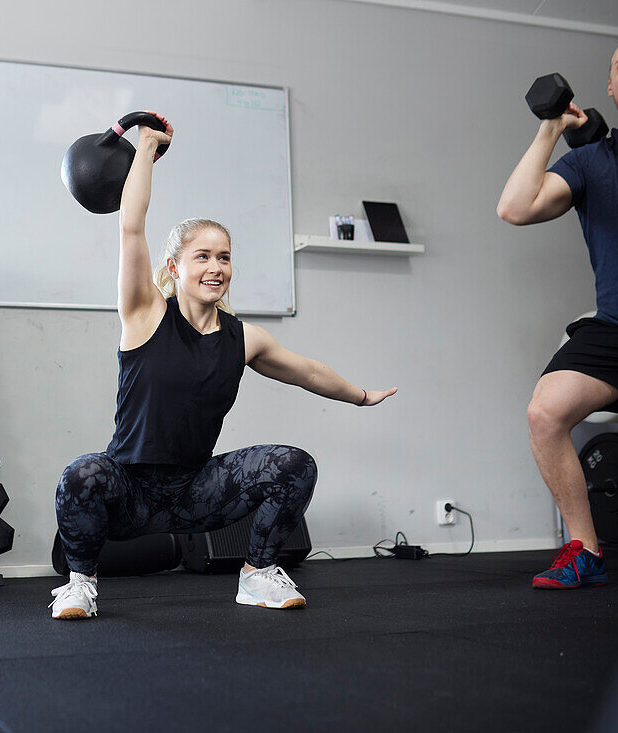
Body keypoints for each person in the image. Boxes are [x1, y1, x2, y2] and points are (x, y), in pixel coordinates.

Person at [50, 111, 397, 619]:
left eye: (225, 258)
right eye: (203, 257)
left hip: (198, 490)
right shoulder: (145, 314)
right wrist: (144, 149)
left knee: (293, 464)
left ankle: (257, 576)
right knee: (79, 476)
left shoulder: (244, 337)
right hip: (130, 490)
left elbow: (307, 372)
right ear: (175, 267)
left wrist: (360, 395)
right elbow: (131, 228)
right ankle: (80, 584)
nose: (216, 268)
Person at [497, 32, 618, 589]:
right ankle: (584, 549)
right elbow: (514, 208)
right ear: (609, 85)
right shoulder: (592, 163)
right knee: (544, 412)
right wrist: (551, 127)